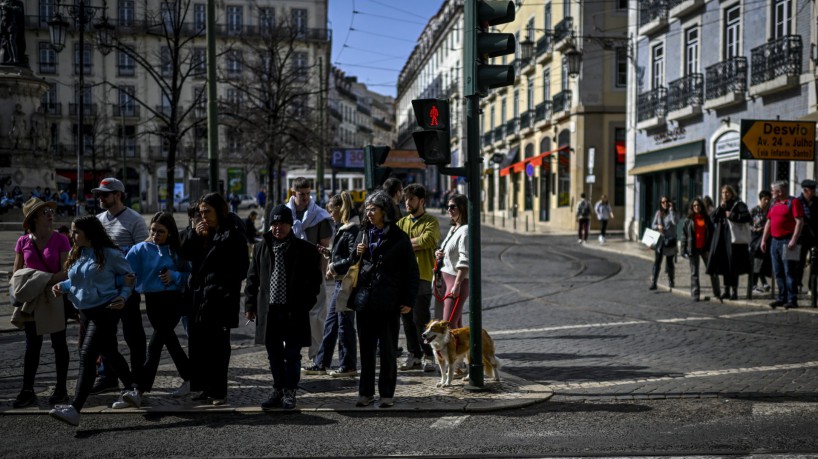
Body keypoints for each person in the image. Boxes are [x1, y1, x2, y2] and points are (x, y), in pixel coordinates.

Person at [48, 216, 137, 427]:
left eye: (76, 232)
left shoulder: (111, 254)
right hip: (85, 311)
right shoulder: (77, 252)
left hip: (105, 309)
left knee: (87, 355)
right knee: (110, 353)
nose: (72, 235)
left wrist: (123, 296)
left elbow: (129, 277)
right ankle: (133, 390)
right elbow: (79, 278)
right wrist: (64, 286)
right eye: (72, 231)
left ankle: (75, 408)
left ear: (89, 233)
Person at [245, 205, 323, 410]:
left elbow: (315, 281)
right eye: (274, 223)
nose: (278, 227)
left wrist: (306, 303)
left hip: (294, 311)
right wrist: (250, 305)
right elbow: (252, 279)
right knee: (274, 354)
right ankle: (278, 389)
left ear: (290, 225)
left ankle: (290, 391)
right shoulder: (262, 247)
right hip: (269, 310)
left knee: (292, 354)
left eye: (282, 223)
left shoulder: (305, 250)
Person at [179, 193, 249, 405]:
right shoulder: (201, 232)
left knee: (218, 347)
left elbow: (242, 267)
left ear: (219, 210)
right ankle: (201, 387)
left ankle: (219, 391)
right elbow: (184, 254)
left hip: (220, 297)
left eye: (207, 212)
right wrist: (193, 234)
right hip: (199, 296)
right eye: (200, 213)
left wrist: (222, 284)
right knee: (198, 344)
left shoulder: (233, 232)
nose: (203, 217)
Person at [352, 191, 418, 408]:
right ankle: (365, 392)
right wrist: (356, 253)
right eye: (367, 209)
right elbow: (348, 263)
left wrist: (408, 299)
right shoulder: (363, 233)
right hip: (365, 301)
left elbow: (411, 271)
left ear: (385, 211)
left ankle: (387, 394)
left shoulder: (399, 238)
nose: (369, 213)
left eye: (374, 209)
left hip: (389, 301)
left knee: (388, 350)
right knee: (367, 350)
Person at [122, 212, 192, 407]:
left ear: (169, 233)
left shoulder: (177, 250)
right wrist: (124, 289)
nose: (155, 235)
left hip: (174, 300)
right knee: (169, 341)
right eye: (153, 230)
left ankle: (138, 389)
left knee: (154, 345)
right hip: (152, 300)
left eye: (160, 231)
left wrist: (175, 276)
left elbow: (190, 274)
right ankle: (190, 378)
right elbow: (126, 272)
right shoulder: (139, 250)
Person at [90, 177, 149, 395]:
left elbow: (143, 254)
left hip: (127, 290)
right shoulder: (97, 220)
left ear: (118, 195)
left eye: (105, 194)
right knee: (106, 336)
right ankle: (108, 376)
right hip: (104, 290)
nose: (101, 198)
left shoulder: (135, 220)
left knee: (133, 335)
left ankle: (138, 377)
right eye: (99, 194)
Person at [10, 198, 71, 408]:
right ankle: (27, 390)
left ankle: (61, 389)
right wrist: (40, 279)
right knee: (32, 346)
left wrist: (44, 279)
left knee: (59, 344)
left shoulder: (61, 239)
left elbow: (66, 271)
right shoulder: (23, 241)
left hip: (54, 295)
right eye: (45, 211)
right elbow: (17, 273)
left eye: (50, 211)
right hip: (33, 299)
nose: (50, 214)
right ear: (33, 218)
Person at [307, 192, 359, 378]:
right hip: (340, 282)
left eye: (331, 210)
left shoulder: (351, 228)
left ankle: (348, 365)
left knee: (344, 325)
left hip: (346, 282)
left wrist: (334, 266)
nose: (330, 214)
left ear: (339, 208)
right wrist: (329, 255)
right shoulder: (341, 227)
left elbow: (354, 257)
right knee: (332, 324)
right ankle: (322, 362)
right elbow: (343, 253)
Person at [285, 178, 333, 368]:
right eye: (301, 194)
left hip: (313, 272)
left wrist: (321, 274)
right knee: (288, 314)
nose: (305, 197)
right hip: (289, 273)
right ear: (293, 193)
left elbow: (324, 247)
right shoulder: (284, 213)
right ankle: (288, 352)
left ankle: (317, 356)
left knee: (317, 315)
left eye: (307, 193)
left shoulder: (320, 216)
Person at [396, 184, 440, 372]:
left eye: (412, 199)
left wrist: (406, 244)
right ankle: (413, 354)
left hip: (422, 275)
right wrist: (412, 243)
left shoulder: (431, 221)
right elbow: (394, 243)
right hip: (402, 277)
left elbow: (428, 240)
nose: (407, 202)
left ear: (421, 201)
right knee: (406, 319)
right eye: (406, 199)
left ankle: (429, 355)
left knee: (421, 318)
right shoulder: (402, 222)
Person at [761, 180, 805, 309]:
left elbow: (799, 222)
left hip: (787, 241)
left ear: (780, 191)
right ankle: (782, 297)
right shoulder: (774, 203)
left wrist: (794, 239)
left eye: (772, 190)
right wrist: (764, 240)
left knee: (789, 271)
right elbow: (768, 223)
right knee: (778, 272)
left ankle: (792, 299)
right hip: (774, 242)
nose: (771, 192)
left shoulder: (794, 202)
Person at [706, 185, 752, 300]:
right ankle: (726, 290)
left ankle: (734, 291)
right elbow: (712, 219)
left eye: (727, 192)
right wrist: (719, 208)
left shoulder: (739, 204)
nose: (724, 195)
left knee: (733, 267)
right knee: (724, 266)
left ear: (732, 193)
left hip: (734, 241)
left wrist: (731, 215)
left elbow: (747, 217)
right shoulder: (722, 205)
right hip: (722, 240)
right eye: (722, 193)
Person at [435, 193, 469, 328]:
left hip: (455, 282)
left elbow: (465, 260)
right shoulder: (454, 227)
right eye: (447, 206)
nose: (449, 209)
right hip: (445, 280)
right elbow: (448, 249)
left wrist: (457, 284)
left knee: (447, 325)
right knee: (455, 326)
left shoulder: (466, 230)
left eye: (452, 207)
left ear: (462, 208)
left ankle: (451, 349)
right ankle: (462, 350)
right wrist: (439, 252)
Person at [680, 197, 713, 302]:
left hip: (705, 249)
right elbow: (684, 236)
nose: (697, 207)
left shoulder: (706, 219)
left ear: (701, 207)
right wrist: (682, 250)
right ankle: (695, 294)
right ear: (692, 207)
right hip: (693, 249)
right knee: (694, 273)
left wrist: (710, 248)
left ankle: (717, 292)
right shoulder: (688, 220)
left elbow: (711, 234)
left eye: (698, 205)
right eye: (694, 205)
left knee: (712, 270)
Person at [794, 179, 818, 293]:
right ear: (805, 190)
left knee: (815, 262)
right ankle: (798, 284)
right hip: (801, 236)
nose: (813, 192)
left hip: (815, 236)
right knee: (799, 262)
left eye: (814, 189)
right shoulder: (797, 202)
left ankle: (812, 287)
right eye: (811, 190)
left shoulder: (817, 201)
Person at [649, 196, 677, 290]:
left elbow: (675, 222)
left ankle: (671, 280)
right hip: (660, 241)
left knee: (670, 262)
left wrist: (672, 210)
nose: (664, 203)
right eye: (662, 202)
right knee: (657, 262)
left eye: (666, 202)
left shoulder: (672, 213)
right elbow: (653, 225)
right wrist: (658, 226)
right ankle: (654, 282)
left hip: (669, 241)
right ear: (661, 204)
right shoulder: (658, 213)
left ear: (669, 203)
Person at [750, 190, 773, 294]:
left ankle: (764, 282)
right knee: (757, 261)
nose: (767, 201)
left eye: (769, 199)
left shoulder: (771, 210)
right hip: (755, 238)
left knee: (764, 262)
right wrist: (754, 229)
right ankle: (754, 285)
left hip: (768, 238)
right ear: (760, 199)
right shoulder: (754, 210)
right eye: (765, 199)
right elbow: (747, 223)